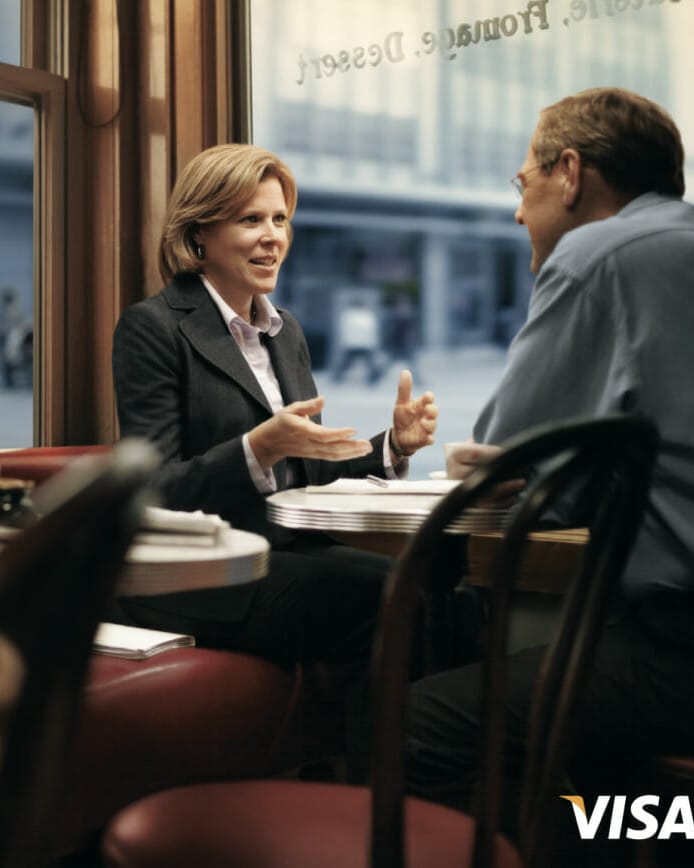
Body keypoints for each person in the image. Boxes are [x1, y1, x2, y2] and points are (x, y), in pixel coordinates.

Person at [403, 88, 694, 864]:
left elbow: (506, 453)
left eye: (520, 182)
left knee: (418, 725)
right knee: (589, 753)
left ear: (569, 173)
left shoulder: (599, 255)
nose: (517, 209)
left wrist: (493, 467)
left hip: (680, 650)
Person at [112, 143, 438, 670]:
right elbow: (155, 491)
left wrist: (393, 445)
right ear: (199, 235)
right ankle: (389, 752)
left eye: (280, 219)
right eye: (251, 219)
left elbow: (308, 464)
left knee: (441, 582)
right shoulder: (153, 328)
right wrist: (256, 449)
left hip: (285, 551)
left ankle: (417, 746)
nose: (274, 237)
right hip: (205, 572)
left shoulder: (285, 332)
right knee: (390, 596)